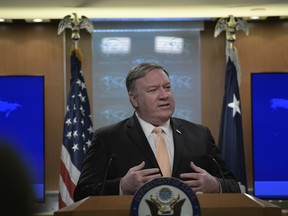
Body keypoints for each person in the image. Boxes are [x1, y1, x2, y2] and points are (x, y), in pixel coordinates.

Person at [74, 62, 240, 201]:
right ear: (134, 99)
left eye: (167, 87)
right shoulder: (108, 139)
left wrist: (216, 185)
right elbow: (81, 194)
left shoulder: (200, 135)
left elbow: (234, 186)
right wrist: (121, 186)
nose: (164, 95)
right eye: (153, 90)